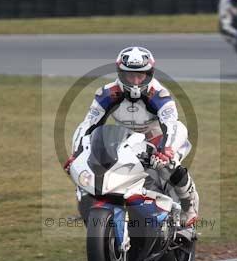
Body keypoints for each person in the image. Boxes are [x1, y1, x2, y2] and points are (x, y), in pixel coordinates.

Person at [65, 46, 199, 238]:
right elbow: (89, 124)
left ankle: (189, 206)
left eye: (141, 75)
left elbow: (170, 124)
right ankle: (97, 212)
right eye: (130, 76)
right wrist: (77, 153)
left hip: (159, 135)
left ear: (149, 74)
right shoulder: (107, 94)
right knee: (90, 168)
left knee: (167, 166)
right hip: (127, 137)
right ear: (121, 73)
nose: (136, 81)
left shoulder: (159, 94)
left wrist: (166, 149)